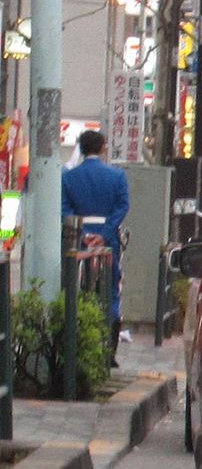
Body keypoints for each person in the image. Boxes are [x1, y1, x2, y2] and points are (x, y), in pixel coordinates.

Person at [62, 130, 130, 367]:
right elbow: (122, 206)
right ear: (103, 147)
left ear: (80, 148)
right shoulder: (117, 176)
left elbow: (64, 208)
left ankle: (80, 345)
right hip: (108, 240)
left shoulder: (69, 177)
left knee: (77, 288)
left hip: (79, 239)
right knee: (111, 289)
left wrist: (85, 233)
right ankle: (109, 352)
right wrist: (104, 234)